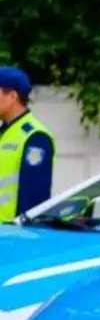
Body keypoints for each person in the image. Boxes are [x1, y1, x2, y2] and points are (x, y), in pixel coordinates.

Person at [0, 66, 54, 222]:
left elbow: (34, 198)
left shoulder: (35, 137)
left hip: (14, 237)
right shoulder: (5, 132)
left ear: (12, 96)